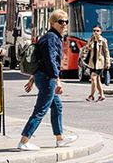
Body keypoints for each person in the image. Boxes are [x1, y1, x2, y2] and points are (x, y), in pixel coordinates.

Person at [17, 11, 76, 151]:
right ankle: (24, 141)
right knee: (40, 110)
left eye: (66, 22)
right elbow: (50, 61)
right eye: (61, 22)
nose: (64, 25)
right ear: (53, 23)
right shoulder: (51, 38)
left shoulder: (52, 37)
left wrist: (32, 78)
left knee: (57, 107)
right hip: (47, 78)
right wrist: (57, 81)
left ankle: (59, 138)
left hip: (43, 76)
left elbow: (41, 60)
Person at [83, 26, 110, 102]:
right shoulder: (90, 40)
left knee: (93, 77)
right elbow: (86, 49)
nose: (95, 32)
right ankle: (102, 95)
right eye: (94, 30)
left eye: (97, 31)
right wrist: (87, 48)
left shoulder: (103, 41)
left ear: (100, 32)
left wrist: (107, 62)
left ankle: (91, 95)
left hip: (99, 63)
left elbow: (106, 52)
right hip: (92, 63)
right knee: (97, 80)